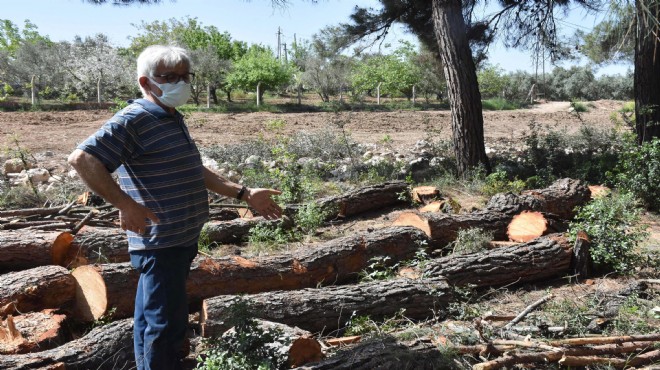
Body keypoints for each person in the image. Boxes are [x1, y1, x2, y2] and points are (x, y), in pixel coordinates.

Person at [68, 44, 282, 370]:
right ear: (145, 81)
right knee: (164, 324)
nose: (180, 83)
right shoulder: (135, 118)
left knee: (153, 318)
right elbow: (82, 159)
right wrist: (125, 205)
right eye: (170, 77)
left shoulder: (169, 117)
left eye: (185, 76)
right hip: (160, 243)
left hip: (179, 239)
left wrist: (244, 193)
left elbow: (194, 169)